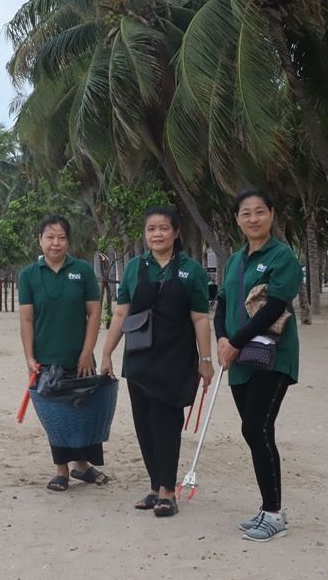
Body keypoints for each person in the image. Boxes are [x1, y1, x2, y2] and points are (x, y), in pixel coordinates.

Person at [101, 205, 213, 517]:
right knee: (145, 425)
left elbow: (200, 318)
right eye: (151, 229)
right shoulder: (135, 268)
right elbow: (121, 313)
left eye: (164, 228)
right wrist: (107, 353)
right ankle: (154, 487)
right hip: (139, 359)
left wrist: (206, 359)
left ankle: (167, 491)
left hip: (176, 360)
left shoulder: (192, 270)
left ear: (176, 232)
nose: (157, 234)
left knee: (166, 424)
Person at [215, 189, 301, 542]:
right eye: (246, 213)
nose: (253, 219)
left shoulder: (282, 256)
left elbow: (275, 306)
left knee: (254, 429)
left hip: (272, 357)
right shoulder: (236, 260)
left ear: (272, 214)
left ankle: (274, 514)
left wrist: (235, 341)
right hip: (239, 358)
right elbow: (222, 302)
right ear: (237, 220)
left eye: (260, 212)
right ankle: (269, 509)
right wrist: (222, 338)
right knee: (260, 432)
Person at [18, 215, 107, 492]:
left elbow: (94, 313)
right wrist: (29, 357)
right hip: (46, 359)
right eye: (50, 237)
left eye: (61, 238)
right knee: (56, 416)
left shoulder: (82, 270)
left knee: (84, 411)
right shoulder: (28, 275)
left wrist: (87, 352)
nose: (55, 243)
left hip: (80, 357)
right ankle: (62, 470)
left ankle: (83, 465)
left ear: (68, 241)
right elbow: (27, 319)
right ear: (40, 240)